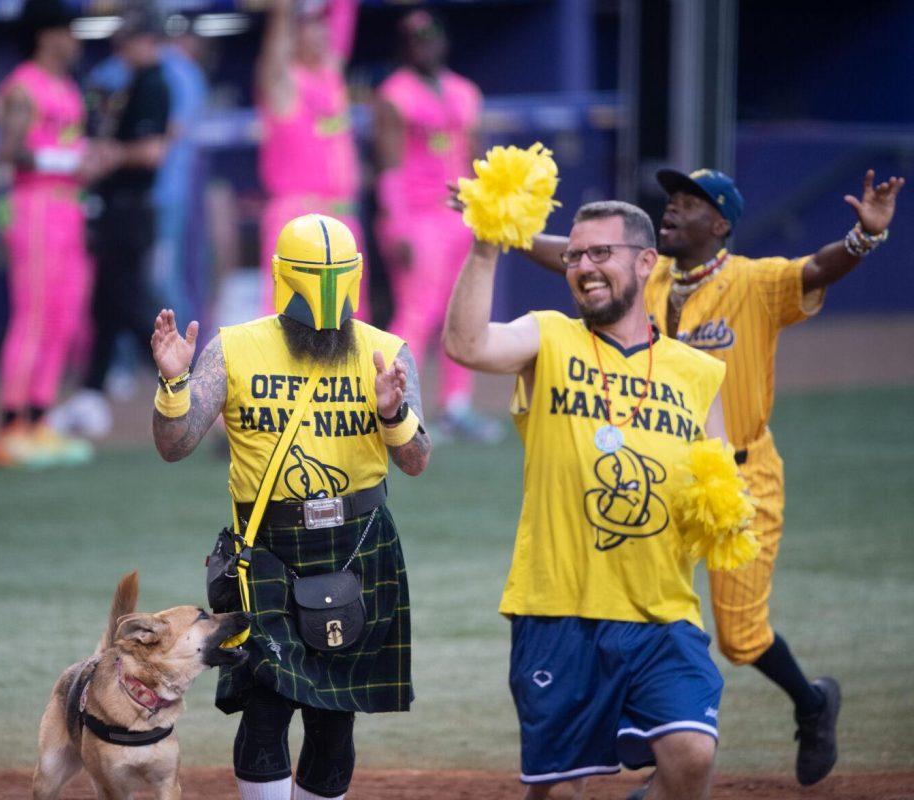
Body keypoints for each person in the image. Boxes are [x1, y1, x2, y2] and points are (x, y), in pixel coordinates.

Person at [516, 167, 904, 788]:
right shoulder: (652, 274)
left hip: (736, 479)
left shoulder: (755, 282)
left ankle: (812, 703)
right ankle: (657, 737)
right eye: (670, 200)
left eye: (691, 203)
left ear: (721, 224)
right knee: (644, 605)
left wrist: (864, 236)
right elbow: (575, 256)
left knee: (741, 637)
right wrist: (501, 228)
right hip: (657, 479)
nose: (672, 209)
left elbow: (816, 270)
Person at [444, 201, 729, 800]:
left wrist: (724, 507)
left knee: (692, 754)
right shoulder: (547, 337)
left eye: (601, 253)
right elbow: (466, 346)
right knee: (560, 789)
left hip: (662, 613)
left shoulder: (698, 374)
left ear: (647, 262)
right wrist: (486, 248)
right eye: (575, 255)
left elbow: (720, 480)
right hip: (559, 609)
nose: (583, 266)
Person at [150, 213, 430, 800]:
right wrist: (174, 382)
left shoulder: (388, 354)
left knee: (335, 716)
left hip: (358, 544)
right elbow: (175, 446)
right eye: (313, 276)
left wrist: (392, 413)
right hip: (268, 547)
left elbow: (415, 460)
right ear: (282, 276)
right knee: (267, 706)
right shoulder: (233, 349)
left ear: (354, 276)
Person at [0, 0, 110, 468]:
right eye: (67, 31)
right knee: (34, 316)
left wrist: (89, 162)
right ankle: (7, 427)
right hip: (35, 206)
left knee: (64, 316)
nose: (74, 40)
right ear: (46, 35)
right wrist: (67, 162)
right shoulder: (23, 86)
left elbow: (70, 152)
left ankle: (37, 422)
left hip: (68, 208)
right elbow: (9, 151)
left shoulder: (67, 88)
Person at [374, 10, 500, 443]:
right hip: (417, 217)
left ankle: (456, 407)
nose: (424, 45)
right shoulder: (394, 94)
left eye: (431, 37)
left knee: (462, 310)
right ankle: (395, 404)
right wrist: (398, 225)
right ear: (404, 46)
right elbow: (388, 166)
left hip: (460, 213)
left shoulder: (465, 91)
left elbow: (475, 156)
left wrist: (488, 210)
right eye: (415, 39)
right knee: (416, 311)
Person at [49, 0, 171, 439]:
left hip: (130, 214)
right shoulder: (134, 81)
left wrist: (108, 156)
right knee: (106, 309)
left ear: (146, 40)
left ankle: (190, 390)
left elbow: (154, 150)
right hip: (118, 212)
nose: (122, 47)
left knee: (137, 312)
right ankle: (90, 396)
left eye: (129, 39)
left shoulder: (154, 83)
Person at [255, 0, 366, 318]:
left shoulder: (331, 78)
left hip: (344, 216)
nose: (321, 34)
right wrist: (283, 12)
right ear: (294, 36)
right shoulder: (284, 84)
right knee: (288, 313)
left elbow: (344, 16)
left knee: (349, 317)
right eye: (310, 27)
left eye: (323, 26)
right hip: (297, 215)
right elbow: (275, 53)